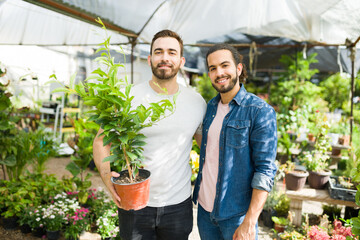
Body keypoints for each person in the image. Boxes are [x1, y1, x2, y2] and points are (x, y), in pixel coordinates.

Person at [93, 30, 206, 240]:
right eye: (159, 52)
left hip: (178, 205)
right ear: (149, 59)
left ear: (181, 61)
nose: (165, 57)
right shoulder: (128, 98)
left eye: (172, 52)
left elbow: (207, 149)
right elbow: (101, 140)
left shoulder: (196, 102)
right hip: (134, 203)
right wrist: (108, 178)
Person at [193, 44, 278, 240]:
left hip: (236, 216)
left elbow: (265, 170)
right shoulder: (210, 108)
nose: (219, 73)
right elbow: (211, 149)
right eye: (213, 68)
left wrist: (250, 221)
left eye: (224, 65)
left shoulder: (259, 111)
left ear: (238, 69)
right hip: (205, 213)